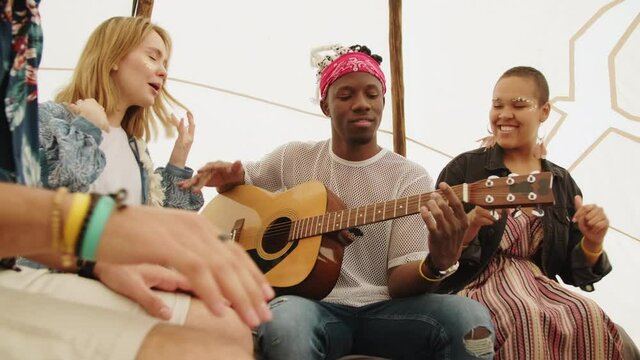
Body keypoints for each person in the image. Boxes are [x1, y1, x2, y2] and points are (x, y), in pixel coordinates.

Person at [182, 44, 495, 360]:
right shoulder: (294, 158)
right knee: (287, 323)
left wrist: (437, 263)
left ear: (383, 101)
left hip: (388, 310)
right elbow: (242, 189)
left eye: (372, 95)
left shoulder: (409, 177)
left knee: (470, 320)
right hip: (309, 307)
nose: (362, 104)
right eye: (346, 96)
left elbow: (399, 283)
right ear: (325, 106)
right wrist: (227, 178)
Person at [0, 2, 272, 359]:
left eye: (165, 64)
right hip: (47, 270)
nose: (162, 71)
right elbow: (52, 187)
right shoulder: (54, 118)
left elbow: (154, 218)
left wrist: (178, 161)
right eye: (153, 57)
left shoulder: (136, 151)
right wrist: (89, 130)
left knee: (231, 326)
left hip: (96, 272)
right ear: (113, 56)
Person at [436, 66, 627, 359]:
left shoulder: (560, 181)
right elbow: (436, 255)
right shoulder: (465, 169)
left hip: (539, 285)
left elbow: (572, 271)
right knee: (524, 315)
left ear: (544, 111)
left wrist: (592, 242)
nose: (504, 114)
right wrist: (469, 229)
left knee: (586, 313)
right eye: (497, 105)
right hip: (475, 284)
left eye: (518, 105)